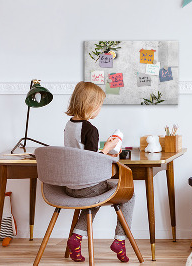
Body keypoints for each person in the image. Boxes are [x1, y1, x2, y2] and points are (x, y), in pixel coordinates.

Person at [64, 81, 134, 263]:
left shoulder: (69, 125)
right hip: (87, 186)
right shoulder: (90, 129)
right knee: (129, 194)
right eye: (99, 105)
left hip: (70, 186)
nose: (99, 109)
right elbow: (91, 161)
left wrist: (103, 149)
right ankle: (120, 240)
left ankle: (76, 238)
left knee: (94, 198)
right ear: (90, 105)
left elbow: (81, 154)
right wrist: (108, 149)